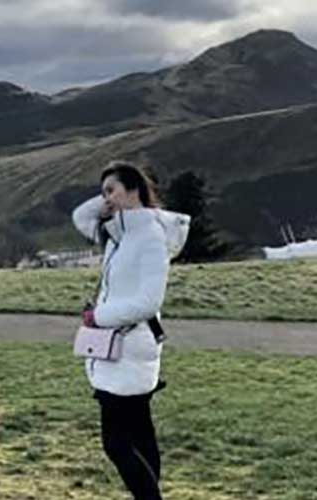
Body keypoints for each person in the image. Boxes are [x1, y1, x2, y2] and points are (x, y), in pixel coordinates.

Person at [71, 160, 189, 500]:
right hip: (120, 344)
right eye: (103, 191)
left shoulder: (149, 236)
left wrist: (99, 317)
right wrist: (105, 201)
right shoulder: (116, 233)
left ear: (134, 189)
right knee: (139, 433)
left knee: (116, 443)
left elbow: (149, 301)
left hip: (129, 345)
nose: (106, 198)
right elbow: (80, 217)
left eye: (112, 190)